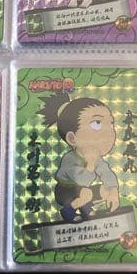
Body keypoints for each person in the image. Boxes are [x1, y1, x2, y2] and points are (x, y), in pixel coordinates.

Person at [38, 91, 120, 222]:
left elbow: (106, 172)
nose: (110, 132)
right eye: (97, 123)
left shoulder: (95, 157)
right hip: (65, 190)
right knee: (86, 193)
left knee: (105, 190)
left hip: (82, 190)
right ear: (72, 138)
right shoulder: (69, 159)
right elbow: (81, 181)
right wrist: (90, 165)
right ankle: (68, 211)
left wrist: (113, 191)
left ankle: (85, 208)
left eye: (110, 123)